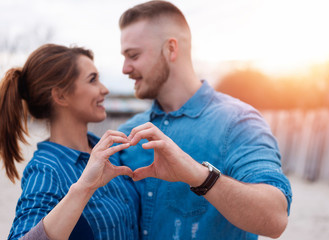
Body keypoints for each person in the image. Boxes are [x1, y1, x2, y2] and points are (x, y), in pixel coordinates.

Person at [117, 1, 292, 239]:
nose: (125, 68)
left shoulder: (238, 122)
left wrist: (198, 175)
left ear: (171, 49)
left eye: (133, 55)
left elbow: (274, 219)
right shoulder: (128, 132)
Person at [0, 44, 140, 239]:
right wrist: (84, 188)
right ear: (61, 95)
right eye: (93, 80)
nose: (105, 89)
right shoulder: (46, 170)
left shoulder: (110, 151)